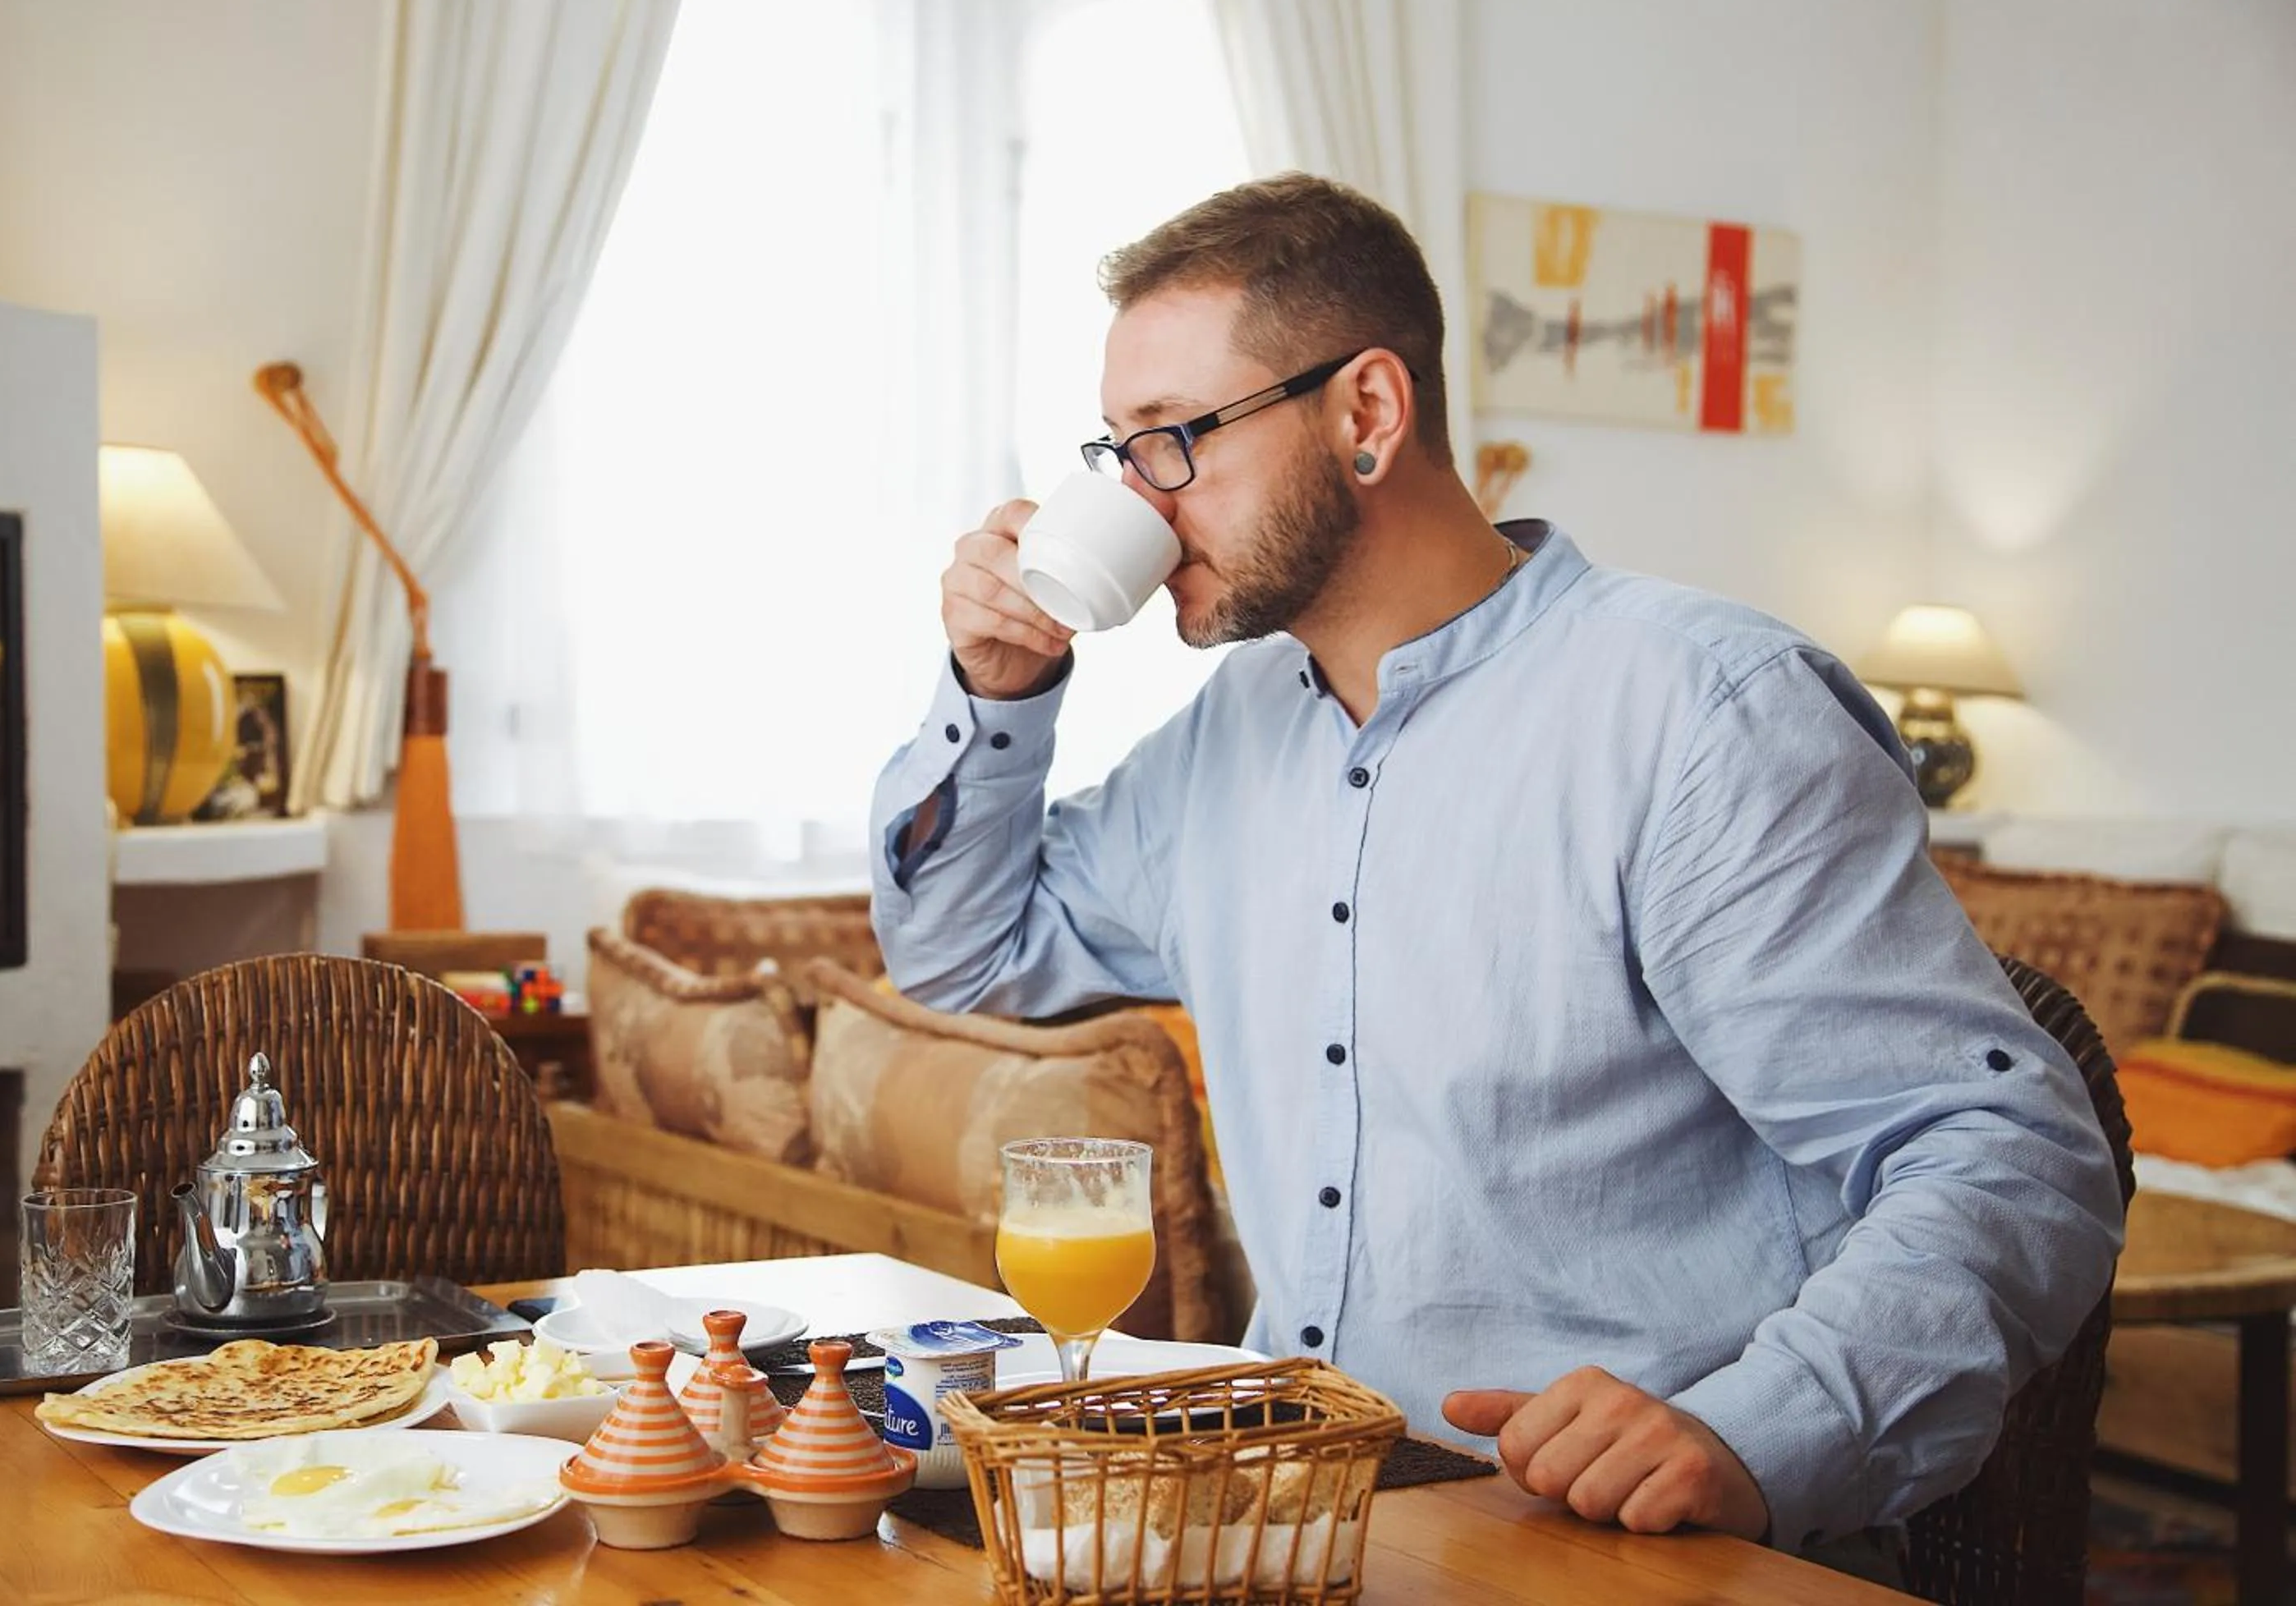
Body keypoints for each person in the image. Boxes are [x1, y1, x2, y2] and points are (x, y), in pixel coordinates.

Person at [867, 172, 2123, 1560]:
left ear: (1368, 415)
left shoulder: (1701, 715)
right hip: (1301, 1531)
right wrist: (996, 691)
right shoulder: (1224, 747)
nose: (1138, 504)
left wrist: (1758, 1431)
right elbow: (966, 949)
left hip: (1633, 1553)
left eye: (1175, 441)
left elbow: (2010, 1153)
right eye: (1118, 452)